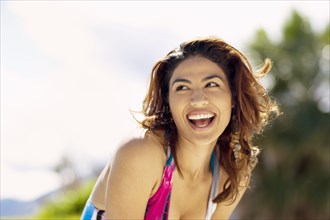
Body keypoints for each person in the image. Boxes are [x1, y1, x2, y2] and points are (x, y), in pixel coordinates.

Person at [81, 36, 279, 220]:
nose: (198, 99)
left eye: (211, 84)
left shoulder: (232, 172)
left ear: (233, 97)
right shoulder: (142, 153)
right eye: (182, 88)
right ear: (169, 101)